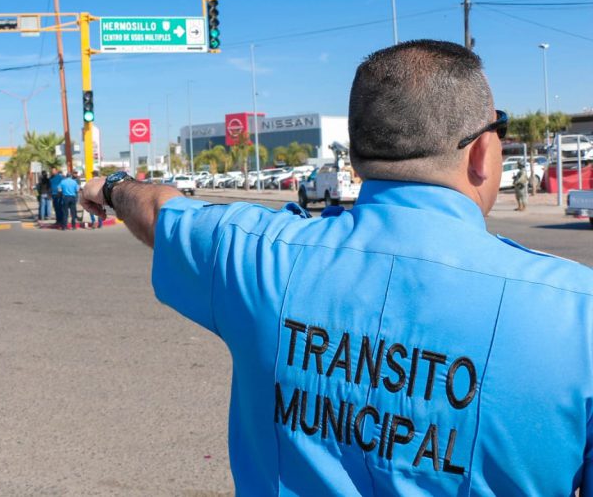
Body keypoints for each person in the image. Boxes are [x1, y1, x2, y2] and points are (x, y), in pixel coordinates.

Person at [80, 40, 593, 495]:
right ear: (481, 151)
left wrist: (110, 187)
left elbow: (157, 209)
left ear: (358, 157)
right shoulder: (578, 316)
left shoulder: (255, 255)